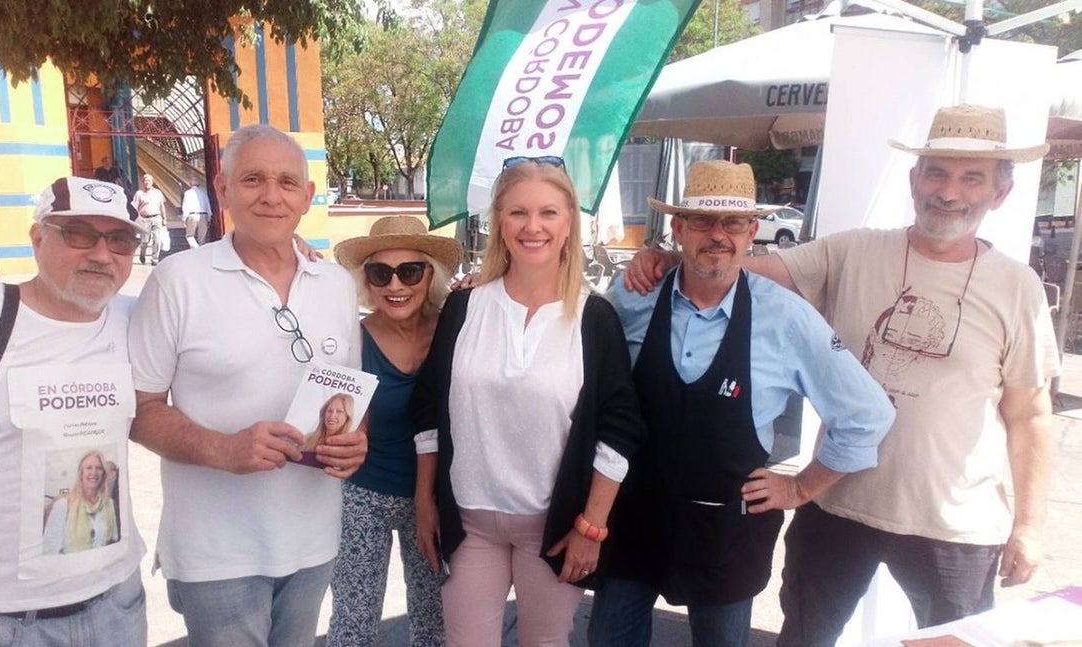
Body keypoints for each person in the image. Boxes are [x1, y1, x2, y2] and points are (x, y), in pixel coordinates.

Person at [623, 105, 1059, 643]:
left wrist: (1030, 527)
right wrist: (665, 258)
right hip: (838, 509)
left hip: (955, 522)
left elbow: (1031, 415)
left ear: (999, 194)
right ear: (914, 180)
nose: (950, 192)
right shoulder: (855, 250)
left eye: (972, 178)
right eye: (938, 173)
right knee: (804, 637)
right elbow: (738, 268)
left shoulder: (1017, 287)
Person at [589, 160, 894, 647]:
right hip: (634, 521)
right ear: (678, 228)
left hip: (726, 533)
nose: (718, 235)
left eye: (732, 222)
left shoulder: (787, 317)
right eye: (703, 220)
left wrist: (800, 488)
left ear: (752, 231)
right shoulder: (632, 300)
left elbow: (867, 415)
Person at [127, 123, 368, 646]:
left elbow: (347, 394)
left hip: (313, 541)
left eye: (287, 182)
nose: (271, 195)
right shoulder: (178, 280)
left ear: (307, 197)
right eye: (254, 178)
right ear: (224, 188)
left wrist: (354, 441)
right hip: (216, 551)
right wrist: (222, 449)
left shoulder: (336, 285)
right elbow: (139, 409)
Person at [410, 157, 646, 646]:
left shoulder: (593, 318)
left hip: (555, 527)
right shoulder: (463, 307)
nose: (532, 226)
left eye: (548, 213)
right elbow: (430, 411)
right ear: (499, 221)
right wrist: (424, 501)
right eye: (518, 212)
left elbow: (619, 430)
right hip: (470, 520)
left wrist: (592, 526)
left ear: (568, 226)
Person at [0, 176, 147, 644]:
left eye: (120, 239)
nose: (101, 254)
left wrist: (291, 252)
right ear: (37, 238)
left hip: (116, 605)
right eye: (79, 234)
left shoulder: (138, 320)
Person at [325, 215, 462, 647]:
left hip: (439, 496)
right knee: (354, 619)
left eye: (410, 271)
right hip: (363, 495)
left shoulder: (458, 329)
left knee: (435, 618)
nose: (395, 285)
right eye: (380, 273)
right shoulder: (351, 338)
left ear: (430, 275)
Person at [43, 450, 121, 555]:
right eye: (89, 468)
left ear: (103, 474)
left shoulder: (109, 505)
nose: (94, 472)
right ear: (81, 473)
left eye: (98, 468)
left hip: (102, 568)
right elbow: (50, 550)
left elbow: (114, 540)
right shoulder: (63, 506)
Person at [131, 173, 166, 265]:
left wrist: (164, 218)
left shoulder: (158, 193)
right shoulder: (139, 193)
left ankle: (155, 259)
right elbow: (134, 207)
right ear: (142, 182)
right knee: (144, 241)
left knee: (157, 239)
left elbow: (162, 206)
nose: (147, 182)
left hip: (156, 218)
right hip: (144, 219)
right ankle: (142, 255)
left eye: (149, 180)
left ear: (152, 182)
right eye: (145, 181)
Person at [180, 178, 212, 248]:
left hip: (192, 215)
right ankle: (201, 251)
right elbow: (208, 206)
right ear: (199, 185)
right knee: (202, 237)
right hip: (203, 215)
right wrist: (209, 218)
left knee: (190, 236)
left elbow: (185, 206)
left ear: (190, 184)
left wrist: (184, 218)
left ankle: (195, 249)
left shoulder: (187, 193)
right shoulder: (203, 193)